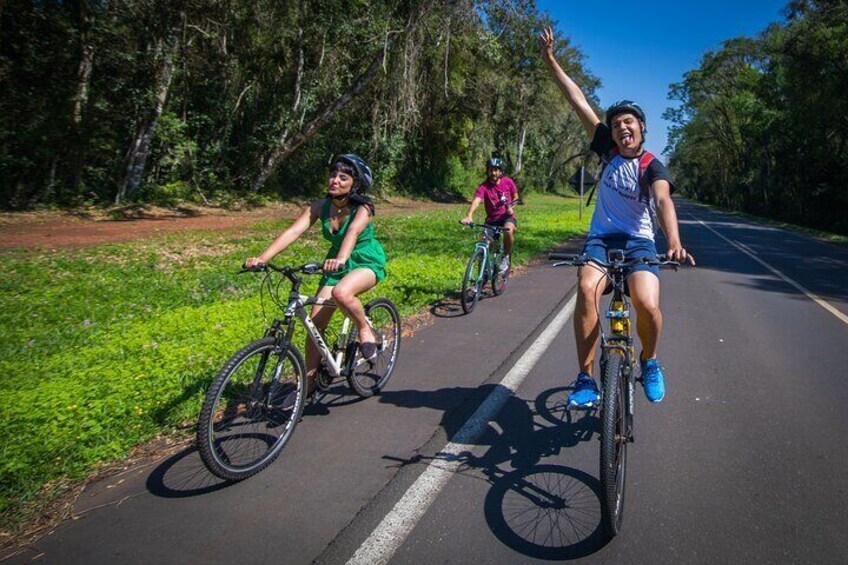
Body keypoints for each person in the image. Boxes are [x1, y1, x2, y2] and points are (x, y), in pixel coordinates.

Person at [539, 27, 695, 406]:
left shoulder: (652, 166)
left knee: (648, 306)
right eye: (617, 123)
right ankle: (585, 379)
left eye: (630, 122)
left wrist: (673, 242)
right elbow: (577, 99)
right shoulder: (607, 150)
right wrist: (551, 61)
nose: (623, 127)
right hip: (601, 242)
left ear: (642, 128)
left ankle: (650, 360)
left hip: (640, 244)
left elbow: (662, 203)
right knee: (586, 288)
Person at [244, 153, 387, 399]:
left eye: (343, 177)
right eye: (333, 175)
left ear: (356, 183)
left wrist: (341, 259)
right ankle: (309, 383)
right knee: (314, 325)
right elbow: (293, 231)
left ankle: (365, 329)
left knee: (342, 293)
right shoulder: (319, 207)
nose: (335, 181)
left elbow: (352, 232)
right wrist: (262, 258)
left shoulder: (364, 208)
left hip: (364, 260)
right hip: (336, 263)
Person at [460, 156, 520, 273]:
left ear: (501, 171)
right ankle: (481, 277)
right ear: (487, 171)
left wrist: (511, 207)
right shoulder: (483, 187)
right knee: (483, 245)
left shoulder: (508, 182)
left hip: (506, 217)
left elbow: (516, 197)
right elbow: (477, 200)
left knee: (508, 230)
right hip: (491, 220)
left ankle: (506, 257)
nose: (493, 172)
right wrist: (469, 215)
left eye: (496, 169)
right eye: (491, 170)